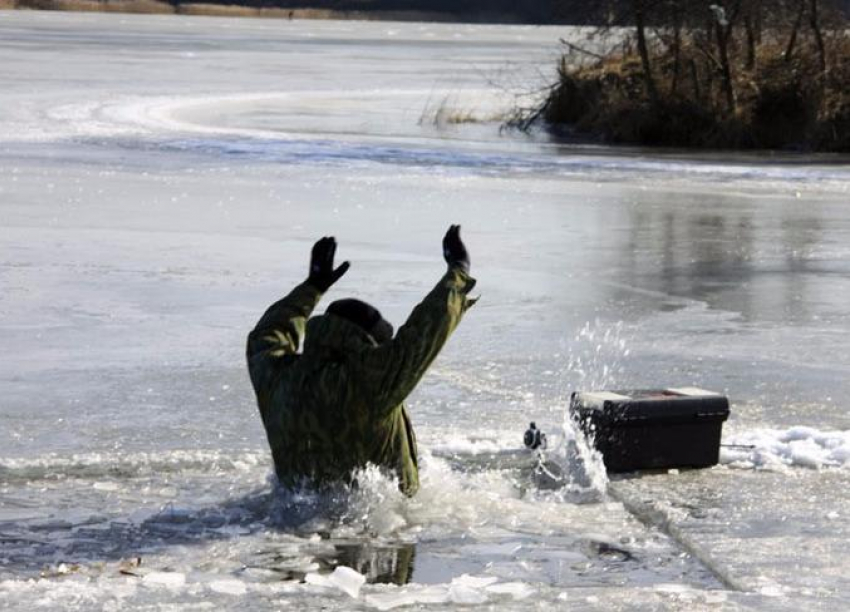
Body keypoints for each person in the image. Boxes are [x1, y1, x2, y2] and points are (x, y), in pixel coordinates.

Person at [246, 225, 476, 496]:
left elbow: (266, 336)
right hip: (376, 528)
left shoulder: (278, 378)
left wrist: (312, 287)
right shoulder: (371, 382)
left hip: (293, 526)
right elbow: (426, 328)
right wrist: (458, 271)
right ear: (365, 342)